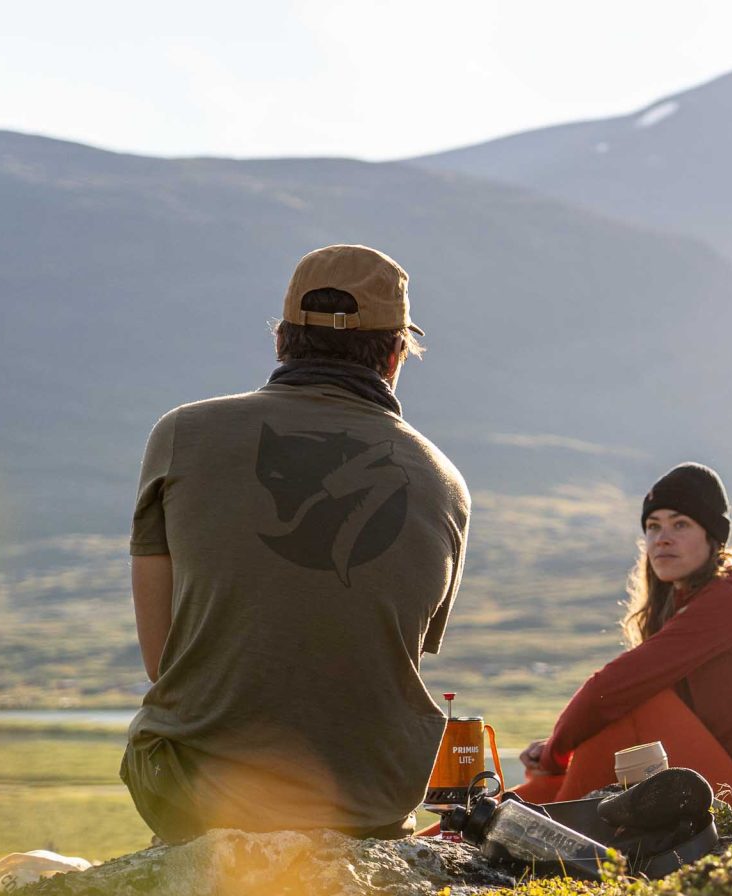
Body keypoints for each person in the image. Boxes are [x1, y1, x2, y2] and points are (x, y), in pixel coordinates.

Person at [123, 244, 471, 842]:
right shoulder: (444, 482)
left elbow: (164, 663)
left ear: (282, 340)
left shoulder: (183, 435)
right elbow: (375, 656)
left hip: (193, 794)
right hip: (369, 807)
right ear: (394, 355)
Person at [513, 463, 732, 803]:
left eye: (680, 524)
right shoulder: (699, 603)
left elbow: (610, 688)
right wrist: (558, 756)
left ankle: (554, 838)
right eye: (652, 526)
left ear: (712, 537)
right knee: (567, 770)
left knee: (633, 703)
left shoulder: (731, 601)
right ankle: (504, 819)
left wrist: (555, 754)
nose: (662, 538)